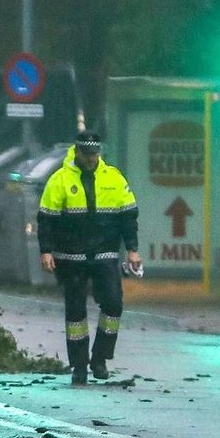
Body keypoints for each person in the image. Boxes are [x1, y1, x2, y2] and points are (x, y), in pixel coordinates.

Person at [38, 130, 141, 384]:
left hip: (105, 253)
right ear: (78, 152)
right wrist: (46, 251)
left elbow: (128, 216)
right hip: (70, 256)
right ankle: (79, 365)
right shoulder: (59, 180)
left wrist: (132, 249)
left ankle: (100, 357)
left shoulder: (114, 178)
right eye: (88, 155)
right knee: (75, 312)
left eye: (96, 154)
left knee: (114, 305)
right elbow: (46, 220)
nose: (93, 159)